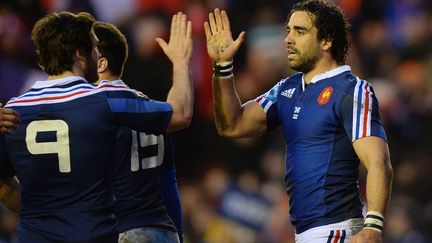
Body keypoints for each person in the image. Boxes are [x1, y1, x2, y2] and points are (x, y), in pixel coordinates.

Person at [204, 1, 392, 242]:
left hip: (336, 230)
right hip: (305, 233)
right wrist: (223, 67)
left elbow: (378, 160)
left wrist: (373, 226)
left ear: (326, 41)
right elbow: (232, 124)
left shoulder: (351, 89)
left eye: (300, 31)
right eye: (288, 31)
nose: (288, 39)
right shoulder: (287, 89)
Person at [0, 10, 193, 242]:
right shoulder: (104, 100)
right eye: (94, 47)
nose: (97, 54)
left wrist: (39, 213)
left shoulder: (13, 109)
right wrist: (181, 63)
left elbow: (3, 186)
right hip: (93, 235)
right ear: (80, 53)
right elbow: (180, 114)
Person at [93, 20, 189, 243]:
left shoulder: (93, 109)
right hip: (162, 230)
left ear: (100, 63)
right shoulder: (150, 108)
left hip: (121, 230)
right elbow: (169, 183)